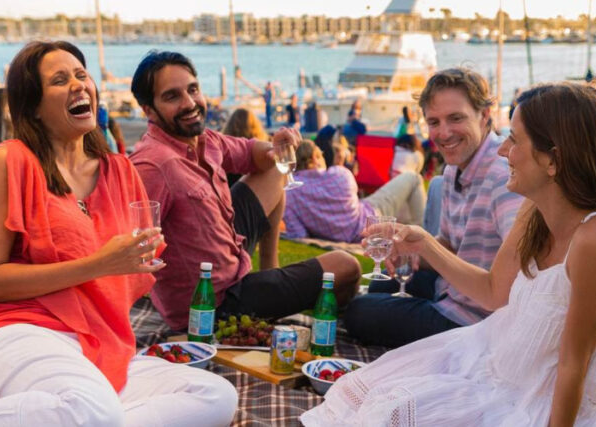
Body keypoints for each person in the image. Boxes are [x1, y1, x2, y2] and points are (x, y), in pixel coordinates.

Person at [0, 40, 238, 427]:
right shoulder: (11, 160)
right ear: (34, 106)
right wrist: (100, 264)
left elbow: (128, 278)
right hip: (18, 332)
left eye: (81, 75)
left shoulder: (120, 171)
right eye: (59, 80)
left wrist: (132, 263)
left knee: (215, 395)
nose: (78, 84)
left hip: (101, 342)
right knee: (92, 411)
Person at [302, 82, 596, 426]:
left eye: (514, 139)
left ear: (553, 159)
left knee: (389, 410)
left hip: (532, 401)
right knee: (377, 398)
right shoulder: (535, 210)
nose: (502, 150)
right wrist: (422, 242)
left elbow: (575, 364)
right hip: (492, 357)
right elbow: (492, 290)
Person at [127, 51, 360, 333]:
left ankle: (270, 272)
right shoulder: (153, 165)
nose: (190, 103)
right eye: (172, 96)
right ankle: (337, 315)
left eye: (193, 90)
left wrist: (277, 147)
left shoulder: (203, 139)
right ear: (149, 110)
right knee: (347, 266)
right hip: (214, 303)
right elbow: (129, 246)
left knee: (277, 170)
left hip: (229, 257)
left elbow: (256, 154)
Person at [343, 68, 523, 348]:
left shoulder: (503, 178)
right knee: (381, 284)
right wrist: (404, 245)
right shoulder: (454, 169)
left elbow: (515, 283)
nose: (444, 133)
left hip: (477, 322)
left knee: (358, 312)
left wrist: (424, 244)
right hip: (454, 289)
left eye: (456, 118)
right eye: (434, 122)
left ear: (484, 115)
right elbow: (450, 247)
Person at [284, 140, 425, 242]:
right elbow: (353, 198)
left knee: (402, 208)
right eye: (321, 155)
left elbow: (299, 234)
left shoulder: (289, 195)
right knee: (413, 178)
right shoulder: (339, 174)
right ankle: (425, 238)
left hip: (348, 230)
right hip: (369, 221)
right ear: (315, 157)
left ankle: (415, 232)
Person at [221, 108, 269, 186]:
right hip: (258, 191)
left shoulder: (223, 152)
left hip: (229, 192)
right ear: (254, 126)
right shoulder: (260, 153)